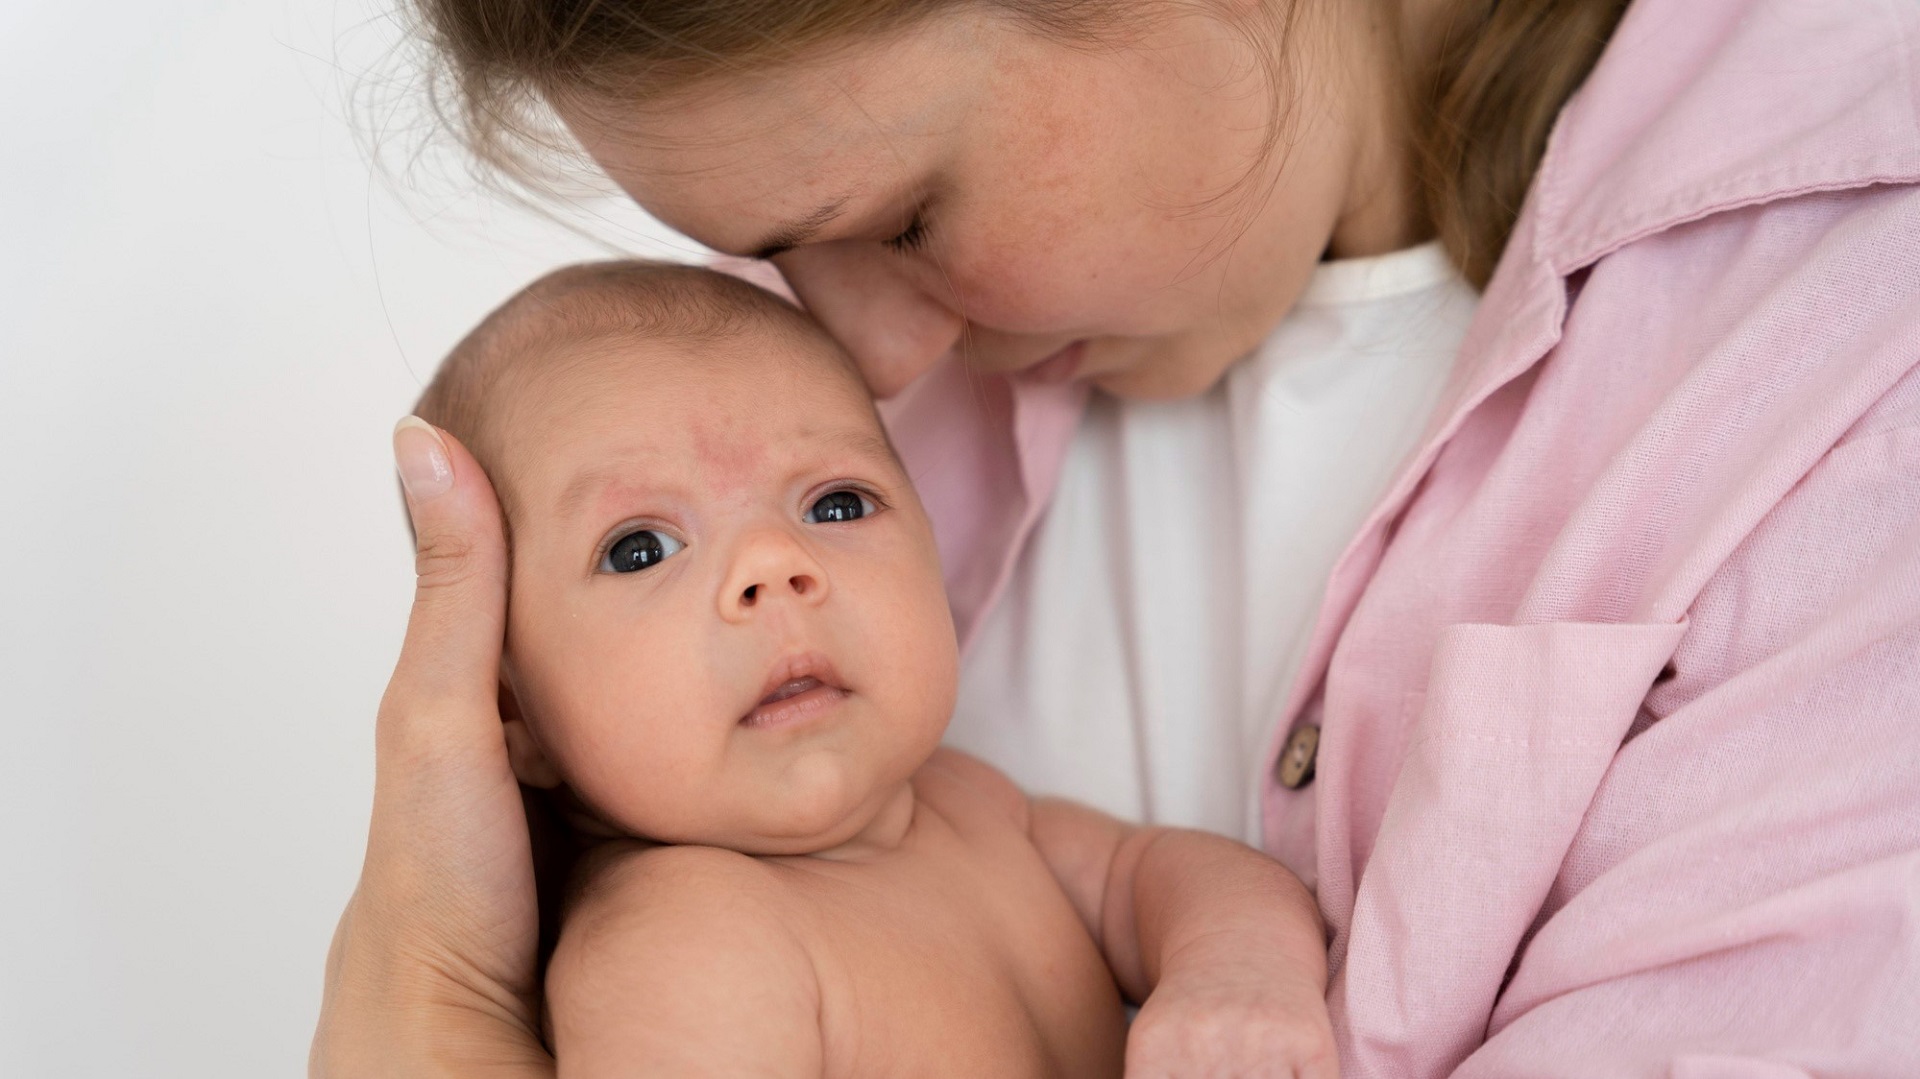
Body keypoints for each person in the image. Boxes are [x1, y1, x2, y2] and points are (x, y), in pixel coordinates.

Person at [315, 0, 1920, 1074]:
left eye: (904, 218)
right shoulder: (730, 441)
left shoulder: (1844, 365)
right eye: (786, 262)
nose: (866, 364)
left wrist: (1231, 974)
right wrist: (433, 990)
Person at [392, 258, 1335, 1076]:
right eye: (641, 547)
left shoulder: (977, 810)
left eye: (837, 504)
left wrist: (1233, 970)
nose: (773, 566)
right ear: (513, 714)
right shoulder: (684, 938)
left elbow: (1164, 874)